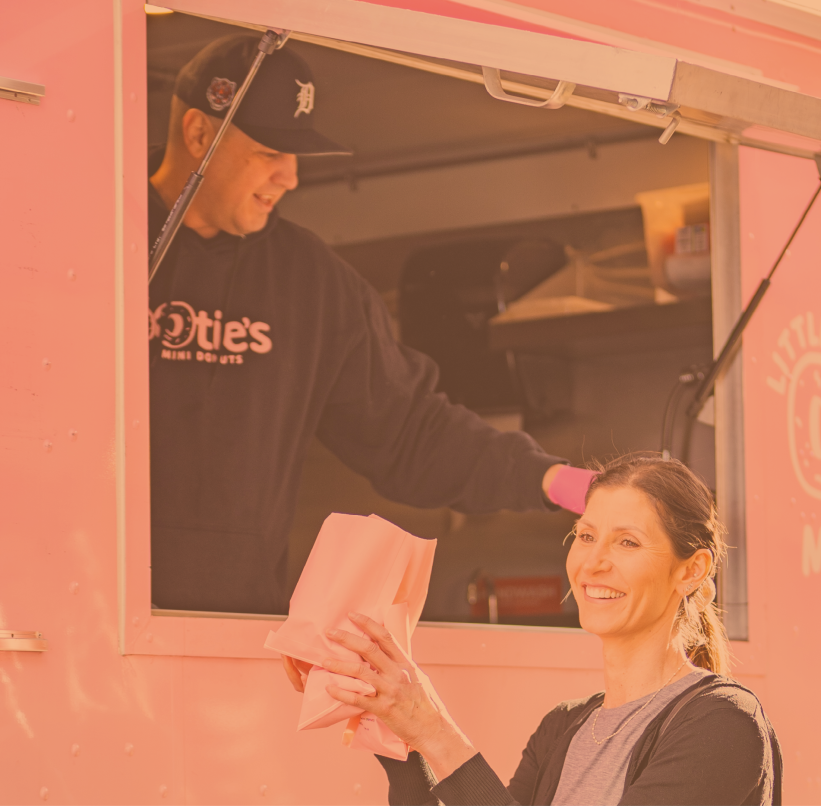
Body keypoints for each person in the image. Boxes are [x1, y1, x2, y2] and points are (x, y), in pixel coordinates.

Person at [147, 34, 590, 615]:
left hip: (233, 631)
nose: (290, 177)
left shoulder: (312, 284)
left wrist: (560, 482)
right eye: (269, 152)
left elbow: (410, 434)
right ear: (199, 135)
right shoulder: (85, 243)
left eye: (295, 155)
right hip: (79, 621)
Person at [309, 454, 783, 805]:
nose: (593, 563)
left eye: (627, 542)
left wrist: (434, 730)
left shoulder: (724, 724)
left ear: (691, 570)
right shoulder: (563, 727)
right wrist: (397, 731)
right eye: (586, 536)